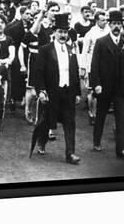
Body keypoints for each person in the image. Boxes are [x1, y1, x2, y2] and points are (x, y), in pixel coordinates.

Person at [31, 13, 82, 164]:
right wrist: (41, 91)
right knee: (47, 120)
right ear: (54, 32)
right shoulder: (46, 49)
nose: (63, 35)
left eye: (65, 32)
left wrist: (77, 92)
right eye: (60, 32)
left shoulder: (71, 49)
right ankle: (42, 141)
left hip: (68, 92)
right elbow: (38, 72)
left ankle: (70, 153)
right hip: (52, 92)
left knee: (69, 122)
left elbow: (75, 71)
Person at [90, 9, 124, 159]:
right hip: (104, 87)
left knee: (121, 118)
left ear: (122, 26)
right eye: (114, 23)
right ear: (109, 25)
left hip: (121, 88)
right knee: (101, 115)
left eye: (119, 24)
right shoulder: (101, 42)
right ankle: (97, 140)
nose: (117, 27)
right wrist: (96, 84)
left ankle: (121, 149)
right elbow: (94, 65)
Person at [80, 10, 109, 125]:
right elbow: (84, 52)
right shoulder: (90, 34)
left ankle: (99, 113)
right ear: (97, 20)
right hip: (92, 65)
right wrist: (83, 67)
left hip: (105, 66)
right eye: (103, 20)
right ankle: (92, 114)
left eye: (106, 20)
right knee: (92, 91)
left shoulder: (108, 31)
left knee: (103, 91)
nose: (105, 22)